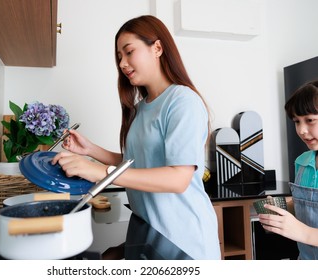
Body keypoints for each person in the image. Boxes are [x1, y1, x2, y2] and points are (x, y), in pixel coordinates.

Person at [52, 15, 220, 260]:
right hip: (148, 231)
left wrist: (100, 172)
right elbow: (139, 161)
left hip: (184, 242)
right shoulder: (142, 108)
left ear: (158, 48)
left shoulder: (182, 101)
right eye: (119, 56)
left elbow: (177, 179)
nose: (122, 63)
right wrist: (91, 150)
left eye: (129, 52)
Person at [258, 80, 318, 259]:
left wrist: (302, 232)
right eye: (296, 122)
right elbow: (306, 205)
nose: (302, 130)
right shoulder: (302, 162)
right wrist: (282, 209)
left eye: (310, 120)